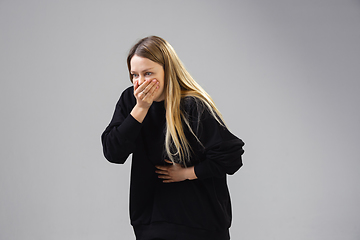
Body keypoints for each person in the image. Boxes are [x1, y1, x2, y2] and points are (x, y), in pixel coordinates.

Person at [101, 36, 245, 240]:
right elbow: (113, 152)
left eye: (148, 73)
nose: (140, 82)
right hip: (151, 221)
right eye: (134, 75)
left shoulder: (192, 105)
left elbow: (231, 156)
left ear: (168, 71)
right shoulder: (130, 101)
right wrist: (141, 108)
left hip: (199, 223)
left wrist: (187, 173)